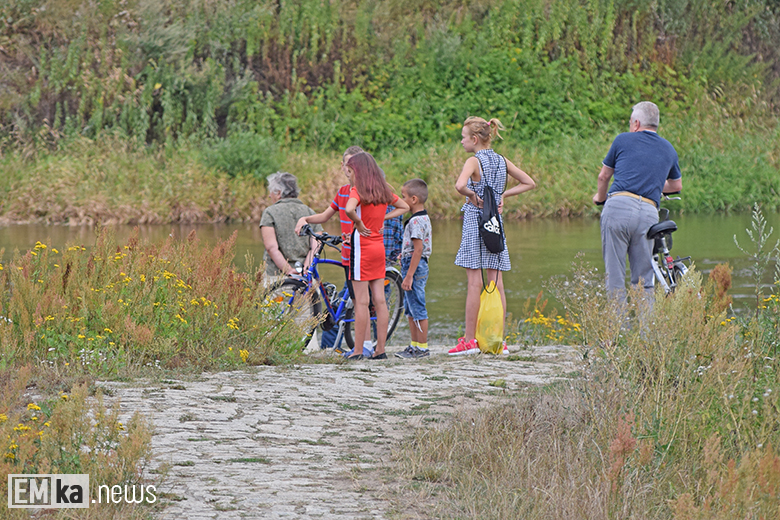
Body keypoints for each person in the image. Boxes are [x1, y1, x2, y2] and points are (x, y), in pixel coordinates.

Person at [449, 116, 537, 356]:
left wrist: (472, 196)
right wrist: (503, 195)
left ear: (475, 139)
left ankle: (469, 341)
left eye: (463, 137)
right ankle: (498, 340)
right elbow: (529, 182)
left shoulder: (473, 161)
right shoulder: (501, 160)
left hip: (475, 221)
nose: (461, 142)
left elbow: (459, 185)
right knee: (497, 282)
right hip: (495, 223)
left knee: (474, 282)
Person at [592, 101, 682, 302]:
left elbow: (603, 177)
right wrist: (656, 185)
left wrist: (600, 198)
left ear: (636, 123)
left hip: (619, 207)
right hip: (648, 212)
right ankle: (647, 333)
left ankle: (618, 332)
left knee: (615, 278)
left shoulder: (623, 140)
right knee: (644, 282)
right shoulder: (668, 148)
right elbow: (676, 186)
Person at [294, 146, 373, 353]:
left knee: (360, 300)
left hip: (362, 251)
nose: (350, 168)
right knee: (354, 297)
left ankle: (365, 345)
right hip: (347, 252)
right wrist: (305, 219)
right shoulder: (342, 192)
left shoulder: (366, 191)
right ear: (343, 166)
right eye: (348, 164)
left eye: (354, 164)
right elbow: (325, 216)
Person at [344, 152, 409, 360]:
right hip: (378, 249)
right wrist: (384, 218)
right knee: (380, 300)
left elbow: (349, 209)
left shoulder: (358, 190)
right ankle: (380, 350)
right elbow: (405, 207)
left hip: (362, 248)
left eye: (351, 170)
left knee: (362, 302)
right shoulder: (382, 191)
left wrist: (359, 223)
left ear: (358, 171)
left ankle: (358, 350)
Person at [259, 172, 320, 284]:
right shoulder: (310, 212)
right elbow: (316, 247)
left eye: (271, 192)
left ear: (278, 193)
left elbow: (271, 247)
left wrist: (290, 271)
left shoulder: (270, 213)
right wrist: (305, 271)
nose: (269, 195)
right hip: (307, 279)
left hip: (276, 277)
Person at [395, 179, 432, 359]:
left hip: (414, 268)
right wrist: (404, 254)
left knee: (417, 307)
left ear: (414, 199)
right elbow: (414, 247)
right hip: (412, 263)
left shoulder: (416, 222)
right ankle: (414, 345)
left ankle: (422, 348)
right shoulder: (422, 218)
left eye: (404, 197)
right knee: (410, 308)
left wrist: (409, 276)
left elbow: (418, 249)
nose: (402, 201)